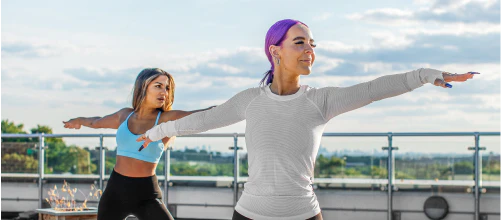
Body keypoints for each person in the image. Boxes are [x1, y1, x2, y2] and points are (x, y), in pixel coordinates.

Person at [137, 19, 478, 220]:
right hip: (251, 214)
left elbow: (374, 88)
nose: (309, 50)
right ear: (275, 51)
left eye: (312, 44)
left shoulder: (321, 100)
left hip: (303, 214)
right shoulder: (250, 100)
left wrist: (425, 74)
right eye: (299, 42)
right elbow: (204, 120)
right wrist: (156, 133)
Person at [63, 68, 214, 220]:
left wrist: (228, 109)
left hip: (147, 194)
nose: (164, 92)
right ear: (143, 87)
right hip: (115, 192)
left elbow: (202, 116)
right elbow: (96, 122)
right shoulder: (124, 115)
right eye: (158, 86)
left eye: (167, 88)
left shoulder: (166, 119)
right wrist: (79, 121)